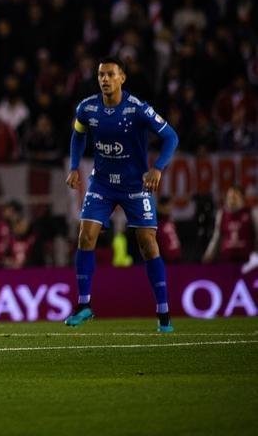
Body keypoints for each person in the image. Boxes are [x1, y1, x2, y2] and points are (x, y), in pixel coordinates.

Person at [65, 57, 180, 332]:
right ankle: (83, 305)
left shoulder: (137, 109)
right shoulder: (87, 108)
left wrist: (158, 168)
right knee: (85, 234)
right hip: (102, 184)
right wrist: (74, 166)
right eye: (101, 74)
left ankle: (163, 314)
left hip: (134, 186)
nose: (104, 79)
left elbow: (171, 137)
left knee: (147, 242)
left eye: (110, 74)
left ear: (122, 78)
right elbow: (77, 135)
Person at [202, 186, 257, 265]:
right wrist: (209, 254)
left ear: (242, 198)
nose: (232, 199)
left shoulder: (251, 213)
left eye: (235, 196)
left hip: (246, 259)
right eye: (230, 197)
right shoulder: (222, 214)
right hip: (227, 258)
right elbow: (217, 237)